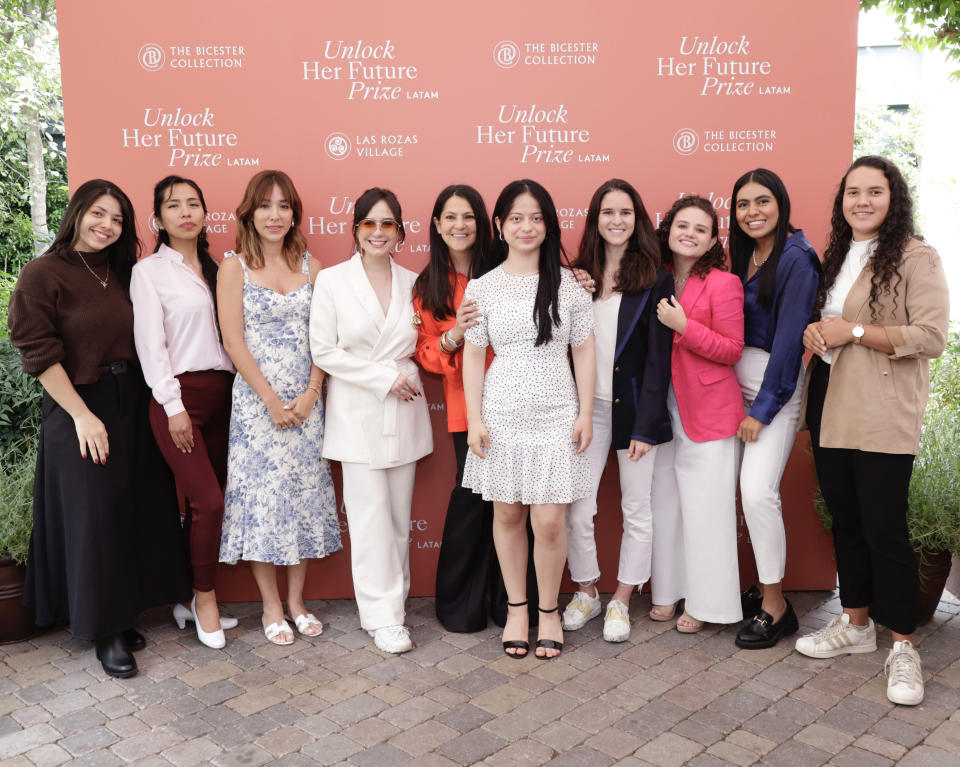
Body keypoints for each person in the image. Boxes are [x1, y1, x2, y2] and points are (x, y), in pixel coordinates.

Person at [7, 179, 191, 678]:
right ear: (78, 212)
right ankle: (103, 630)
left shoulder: (123, 271)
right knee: (96, 518)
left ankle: (125, 611)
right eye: (98, 214)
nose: (107, 226)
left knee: (135, 508)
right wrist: (82, 416)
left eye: (117, 219)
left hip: (133, 399)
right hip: (80, 406)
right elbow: (38, 353)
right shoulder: (43, 273)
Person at [796, 156, 949, 706]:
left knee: (885, 528)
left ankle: (903, 644)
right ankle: (857, 626)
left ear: (893, 197)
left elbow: (931, 336)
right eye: (853, 192)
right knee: (848, 522)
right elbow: (832, 322)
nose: (862, 201)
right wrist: (820, 331)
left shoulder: (915, 254)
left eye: (874, 191)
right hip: (830, 401)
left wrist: (854, 330)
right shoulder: (839, 256)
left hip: (882, 409)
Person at [461, 179, 596, 659]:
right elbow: (473, 357)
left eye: (536, 217)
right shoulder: (483, 287)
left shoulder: (570, 284)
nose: (526, 226)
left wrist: (585, 412)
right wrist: (474, 419)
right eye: (516, 217)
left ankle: (549, 610)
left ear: (549, 225)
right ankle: (518, 609)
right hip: (501, 415)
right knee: (507, 513)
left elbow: (583, 350)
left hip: (557, 415)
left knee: (550, 521)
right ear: (499, 226)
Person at [218, 170, 341, 646]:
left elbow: (324, 337)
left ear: (295, 213)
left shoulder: (313, 266)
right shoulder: (234, 266)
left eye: (284, 206)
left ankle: (296, 601)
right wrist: (270, 401)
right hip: (256, 408)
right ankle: (270, 605)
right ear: (250, 211)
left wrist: (311, 392)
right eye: (266, 205)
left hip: (308, 404)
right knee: (262, 502)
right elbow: (233, 340)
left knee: (303, 496)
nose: (275, 215)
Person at [309, 187, 433, 654]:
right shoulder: (333, 281)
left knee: (399, 518)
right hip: (358, 408)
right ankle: (380, 617)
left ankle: (394, 606)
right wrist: (382, 377)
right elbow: (324, 350)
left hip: (405, 407)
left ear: (400, 232)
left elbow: (428, 343)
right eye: (369, 224)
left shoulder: (415, 282)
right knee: (368, 519)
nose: (378, 233)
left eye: (388, 225)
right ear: (356, 230)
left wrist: (403, 374)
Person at [562, 179, 674, 642]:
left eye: (625, 212)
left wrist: (647, 425)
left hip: (635, 413)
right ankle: (587, 590)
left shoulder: (656, 277)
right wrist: (571, 287)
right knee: (577, 508)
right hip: (585, 409)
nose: (616, 220)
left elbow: (658, 361)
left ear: (638, 218)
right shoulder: (576, 276)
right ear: (595, 219)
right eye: (608, 212)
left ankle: (623, 599)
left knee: (637, 509)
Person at [130, 175, 239, 649]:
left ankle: (184, 600)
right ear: (158, 219)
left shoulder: (221, 269)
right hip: (180, 399)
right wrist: (173, 406)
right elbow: (151, 347)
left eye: (194, 204)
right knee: (208, 501)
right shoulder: (149, 272)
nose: (186, 212)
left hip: (227, 396)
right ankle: (204, 597)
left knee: (206, 507)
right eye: (174, 206)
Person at [412, 184, 518, 632]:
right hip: (467, 406)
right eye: (450, 217)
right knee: (473, 501)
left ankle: (511, 605)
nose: (460, 226)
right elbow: (426, 354)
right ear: (436, 225)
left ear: (484, 224)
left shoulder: (506, 267)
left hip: (518, 398)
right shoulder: (428, 284)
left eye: (468, 217)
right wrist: (454, 335)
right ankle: (462, 607)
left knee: (515, 501)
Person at [727, 169, 820, 649]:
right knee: (731, 493)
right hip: (730, 387)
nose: (752, 212)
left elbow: (788, 345)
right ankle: (757, 586)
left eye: (762, 202)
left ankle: (776, 605)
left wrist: (762, 410)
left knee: (758, 492)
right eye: (743, 204)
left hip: (772, 389)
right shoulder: (744, 254)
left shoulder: (797, 259)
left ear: (781, 203)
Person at [649, 195, 745, 633]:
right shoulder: (657, 277)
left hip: (709, 411)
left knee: (707, 512)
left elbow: (731, 350)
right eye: (682, 225)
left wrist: (685, 327)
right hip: (662, 413)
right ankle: (667, 592)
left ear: (711, 241)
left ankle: (708, 605)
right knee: (666, 507)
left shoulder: (724, 283)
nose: (689, 234)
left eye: (700, 229)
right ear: (667, 230)